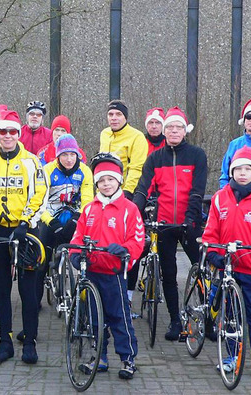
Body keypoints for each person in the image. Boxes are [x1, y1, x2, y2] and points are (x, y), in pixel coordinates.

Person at [0, 110, 48, 364]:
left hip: (25, 230)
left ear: (18, 134)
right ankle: (5, 341)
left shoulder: (31, 161)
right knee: (2, 288)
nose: (7, 136)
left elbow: (40, 194)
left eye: (12, 132)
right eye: (2, 132)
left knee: (27, 291)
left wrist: (26, 221)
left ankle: (30, 342)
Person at [133, 106, 207, 341]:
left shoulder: (197, 155)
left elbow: (197, 191)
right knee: (169, 273)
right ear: (164, 131)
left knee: (201, 270)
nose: (174, 131)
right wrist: (134, 210)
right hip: (164, 223)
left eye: (178, 127)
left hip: (190, 223)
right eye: (170, 127)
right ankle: (175, 320)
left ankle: (210, 319)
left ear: (185, 131)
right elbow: (143, 187)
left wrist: (190, 219)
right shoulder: (155, 157)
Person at [69, 152, 145, 380]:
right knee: (94, 318)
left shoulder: (129, 209)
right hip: (92, 271)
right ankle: (99, 357)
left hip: (114, 273)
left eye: (110, 179)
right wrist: (75, 254)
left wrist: (125, 250)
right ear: (96, 184)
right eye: (101, 180)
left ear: (119, 181)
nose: (106, 184)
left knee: (119, 317)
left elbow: (137, 238)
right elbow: (78, 236)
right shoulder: (89, 209)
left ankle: (127, 358)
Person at [203, 146, 251, 379]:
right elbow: (211, 232)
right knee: (230, 314)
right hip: (227, 266)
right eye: (237, 169)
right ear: (231, 172)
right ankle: (231, 356)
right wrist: (213, 253)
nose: (242, 173)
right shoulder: (220, 198)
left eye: (247, 169)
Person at [219, 97, 251, 326]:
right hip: (236, 207)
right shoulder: (234, 144)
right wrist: (225, 199)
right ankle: (230, 313)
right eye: (249, 116)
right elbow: (224, 176)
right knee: (233, 257)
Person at [34, 134, 93, 311]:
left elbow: (88, 201)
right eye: (64, 155)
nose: (68, 159)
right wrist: (51, 222)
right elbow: (38, 202)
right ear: (58, 156)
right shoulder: (47, 171)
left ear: (77, 155)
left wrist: (77, 218)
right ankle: (35, 301)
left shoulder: (85, 171)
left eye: (72, 155)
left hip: (74, 217)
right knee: (42, 260)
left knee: (85, 255)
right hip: (50, 218)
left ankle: (85, 297)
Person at [126, 107, 166, 313]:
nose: (154, 126)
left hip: (162, 197)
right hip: (140, 193)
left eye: (158, 123)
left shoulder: (169, 144)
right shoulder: (140, 142)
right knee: (137, 245)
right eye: (150, 123)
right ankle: (129, 295)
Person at [99, 100, 148, 200]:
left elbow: (137, 168)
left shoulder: (137, 136)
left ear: (125, 117)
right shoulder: (104, 134)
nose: (114, 118)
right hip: (103, 192)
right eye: (110, 114)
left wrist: (127, 191)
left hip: (124, 193)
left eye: (118, 114)